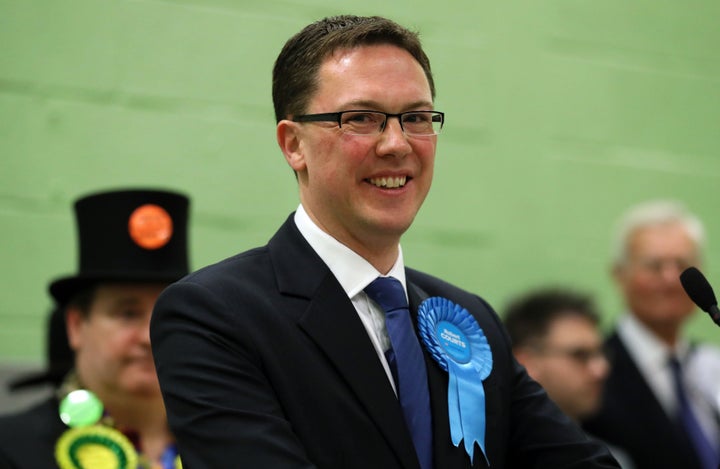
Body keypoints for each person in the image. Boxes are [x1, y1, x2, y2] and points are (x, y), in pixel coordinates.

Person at [149, 15, 620, 469]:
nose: (397, 144)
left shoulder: (468, 319)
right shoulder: (214, 316)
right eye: (361, 118)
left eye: (416, 118)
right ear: (294, 144)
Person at [0, 188, 190, 469]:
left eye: (168, 314)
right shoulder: (12, 449)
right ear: (76, 326)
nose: (151, 337)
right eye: (128, 314)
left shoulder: (224, 441)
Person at [582, 200, 720, 469]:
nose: (670, 279)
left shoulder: (711, 365)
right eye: (654, 266)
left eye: (682, 265)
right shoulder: (594, 370)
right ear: (620, 275)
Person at [504, 288, 635, 468]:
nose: (601, 369)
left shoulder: (610, 458)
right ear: (525, 363)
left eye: (600, 353)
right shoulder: (488, 454)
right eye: (580, 355)